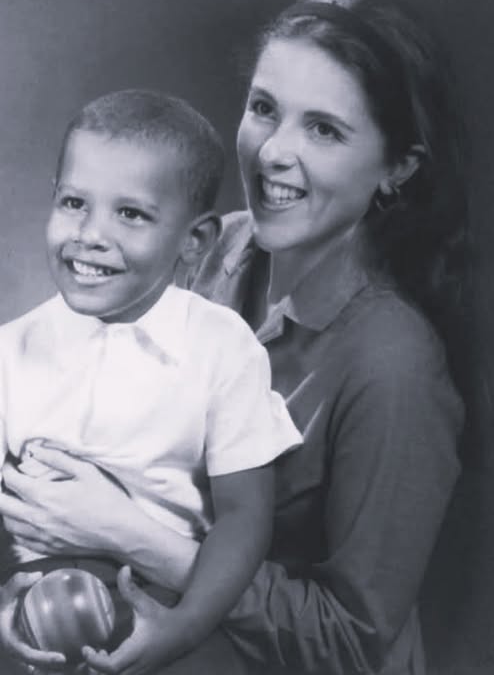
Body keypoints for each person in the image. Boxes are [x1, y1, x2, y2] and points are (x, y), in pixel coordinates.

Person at [0, 0, 466, 675]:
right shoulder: (207, 250)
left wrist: (136, 537)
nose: (273, 151)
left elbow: (353, 642)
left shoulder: (395, 366)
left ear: (398, 168)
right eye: (265, 108)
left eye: (324, 130)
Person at [0, 89, 302, 672]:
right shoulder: (12, 351)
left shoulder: (223, 347)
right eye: (74, 203)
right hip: (32, 595)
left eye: (131, 214)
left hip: (168, 599)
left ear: (195, 241)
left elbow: (244, 518)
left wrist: (184, 627)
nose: (91, 234)